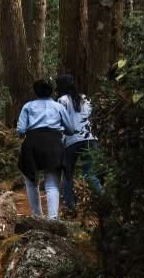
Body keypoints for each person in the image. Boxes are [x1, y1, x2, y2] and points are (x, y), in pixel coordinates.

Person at [15, 79, 73, 219]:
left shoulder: (28, 106)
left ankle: (37, 216)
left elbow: (21, 130)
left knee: (31, 180)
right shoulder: (58, 107)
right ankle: (52, 219)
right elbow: (70, 129)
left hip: (32, 143)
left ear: (35, 92)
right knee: (52, 184)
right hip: (53, 143)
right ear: (51, 91)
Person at [56, 72, 104, 215]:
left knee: (68, 175)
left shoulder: (62, 100)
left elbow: (59, 122)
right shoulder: (86, 99)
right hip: (90, 138)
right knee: (89, 173)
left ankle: (71, 206)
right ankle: (104, 197)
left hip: (71, 141)